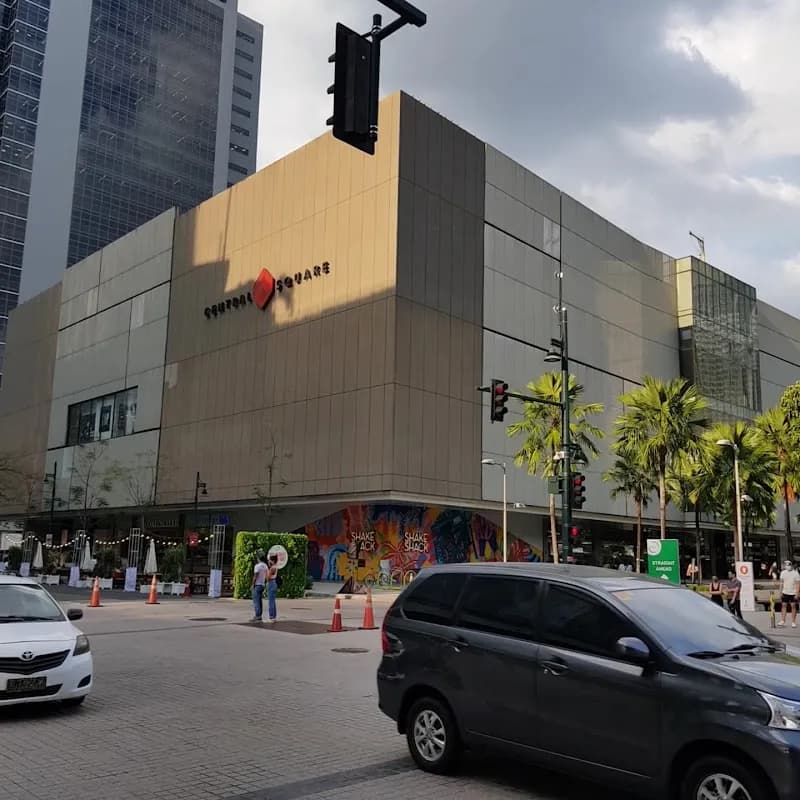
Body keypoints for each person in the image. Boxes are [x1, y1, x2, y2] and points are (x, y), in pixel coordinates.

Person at [778, 560, 800, 628]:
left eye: (789, 565)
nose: (788, 566)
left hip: (793, 592)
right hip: (785, 592)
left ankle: (793, 622)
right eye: (786, 565)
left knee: (793, 606)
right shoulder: (783, 573)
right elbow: (781, 583)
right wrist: (780, 592)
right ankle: (783, 620)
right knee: (783, 605)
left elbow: (798, 584)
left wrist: (797, 593)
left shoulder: (796, 573)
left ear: (792, 565)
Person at [251, 552, 268, 622]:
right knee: (260, 601)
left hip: (257, 585)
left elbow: (255, 576)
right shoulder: (265, 566)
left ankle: (257, 616)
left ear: (258, 558)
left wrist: (252, 584)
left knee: (256, 601)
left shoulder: (257, 566)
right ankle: (259, 615)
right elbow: (266, 575)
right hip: (262, 584)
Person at [266, 553, 279, 624]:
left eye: (270, 560)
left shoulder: (272, 568)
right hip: (274, 583)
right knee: (273, 601)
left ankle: (271, 617)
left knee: (271, 601)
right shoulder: (275, 567)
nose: (269, 561)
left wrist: (267, 572)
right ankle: (274, 617)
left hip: (271, 583)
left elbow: (268, 578)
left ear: (272, 561)